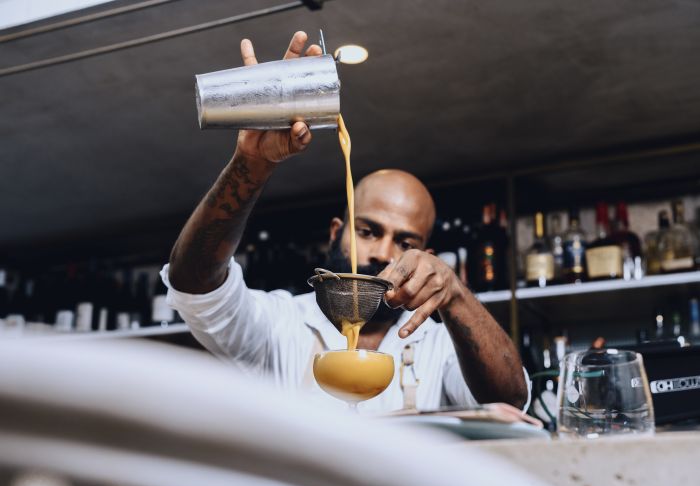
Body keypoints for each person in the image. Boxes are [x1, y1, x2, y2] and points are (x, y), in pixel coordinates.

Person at [162, 31, 530, 413]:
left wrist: (454, 294)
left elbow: (510, 399)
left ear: (427, 257)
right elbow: (193, 282)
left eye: (405, 244)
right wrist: (251, 165)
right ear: (337, 232)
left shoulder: (438, 345)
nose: (383, 254)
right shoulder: (280, 326)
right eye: (368, 231)